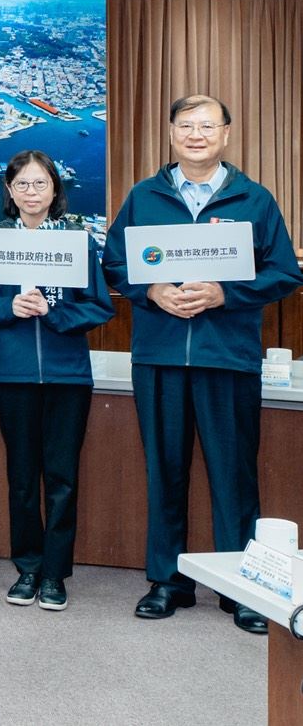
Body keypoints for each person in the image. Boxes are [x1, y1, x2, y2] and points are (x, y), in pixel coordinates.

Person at [104, 94, 303, 632]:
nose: (196, 134)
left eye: (207, 126)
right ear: (171, 133)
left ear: (226, 134)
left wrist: (224, 293)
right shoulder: (144, 196)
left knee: (234, 475)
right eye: (186, 125)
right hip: (160, 355)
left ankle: (241, 590)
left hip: (227, 356)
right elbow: (115, 264)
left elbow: (284, 273)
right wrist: (153, 291)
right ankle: (167, 581)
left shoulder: (254, 199)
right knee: (164, 470)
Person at [0, 150, 112, 611]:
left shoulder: (78, 242)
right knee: (23, 477)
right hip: (12, 374)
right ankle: (28, 567)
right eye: (22, 184)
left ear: (55, 189)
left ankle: (55, 573)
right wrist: (7, 307)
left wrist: (55, 313)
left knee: (62, 477)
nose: (32, 193)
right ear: (9, 191)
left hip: (68, 375)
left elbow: (100, 306)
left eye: (40, 184)